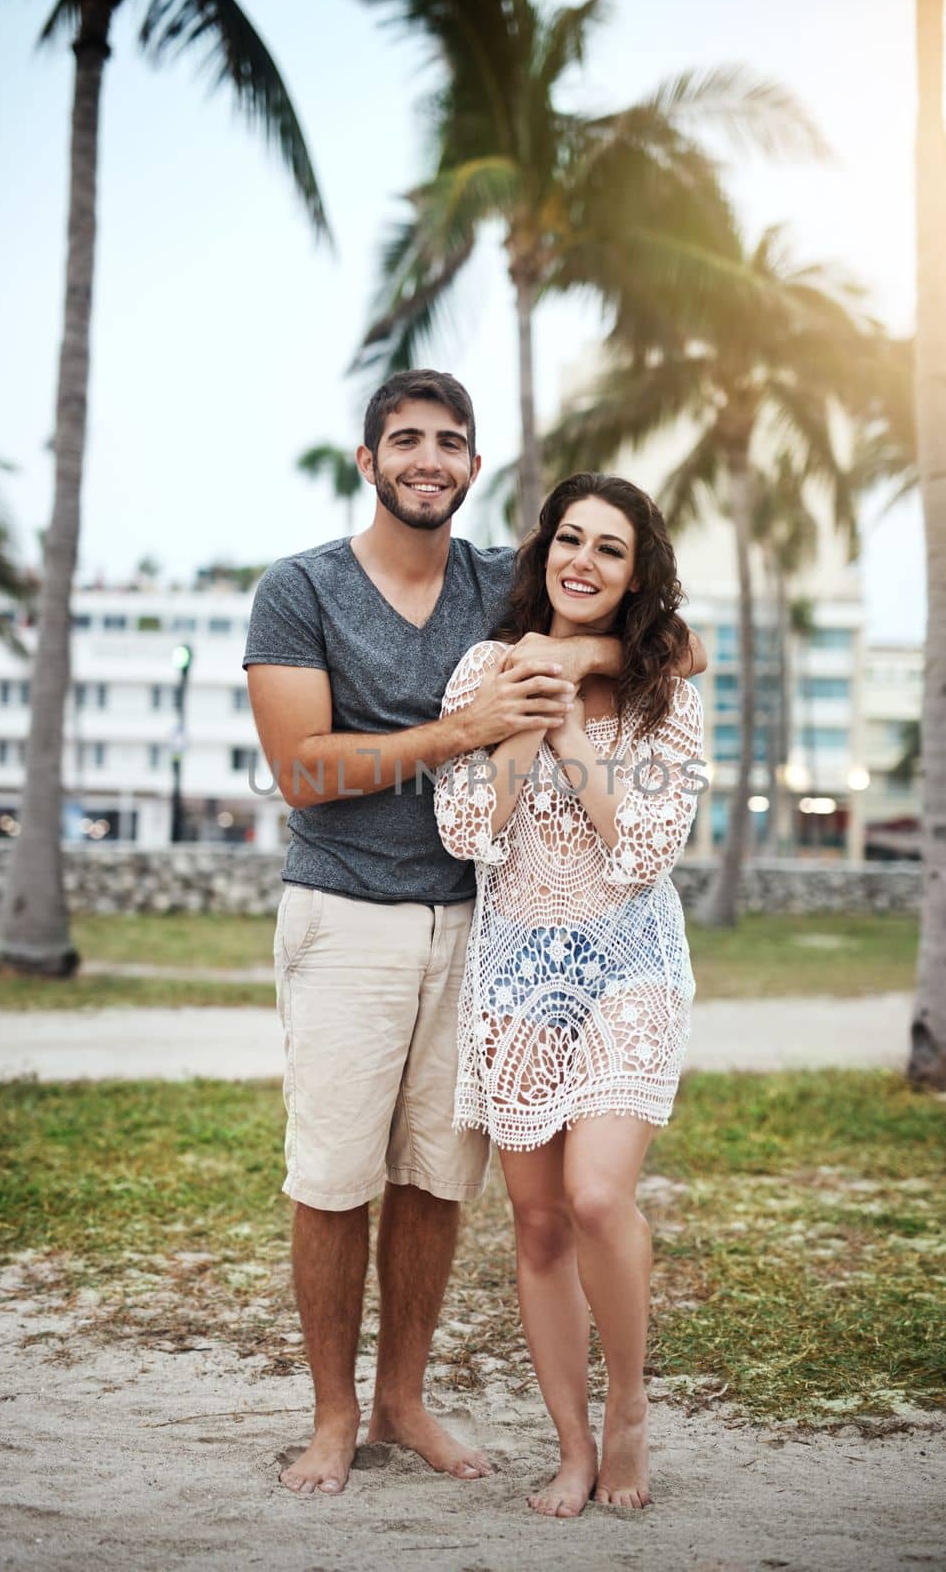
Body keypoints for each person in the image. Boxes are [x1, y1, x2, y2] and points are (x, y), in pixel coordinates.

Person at [244, 372, 705, 1498]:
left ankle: (405, 1400)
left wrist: (579, 662)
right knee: (335, 1171)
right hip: (350, 906)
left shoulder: (502, 578)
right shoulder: (300, 589)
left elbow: (669, 646)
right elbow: (303, 769)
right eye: (405, 441)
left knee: (437, 1181)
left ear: (475, 468)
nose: (428, 460)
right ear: (368, 460)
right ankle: (333, 1413)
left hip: (480, 927)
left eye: (450, 443)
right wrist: (479, 722)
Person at [433, 472, 705, 1517]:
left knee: (597, 1196)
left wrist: (567, 729)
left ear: (637, 576)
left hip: (631, 960)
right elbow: (467, 833)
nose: (582, 562)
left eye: (610, 550)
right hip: (515, 974)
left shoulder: (664, 687)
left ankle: (628, 1406)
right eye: (570, 540)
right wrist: (517, 715)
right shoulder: (483, 670)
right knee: (539, 1225)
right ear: (545, 549)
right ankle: (573, 1443)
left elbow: (640, 847)